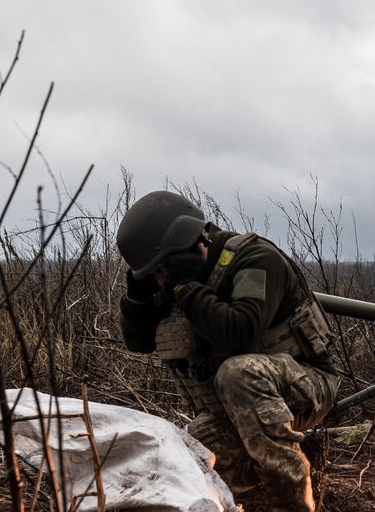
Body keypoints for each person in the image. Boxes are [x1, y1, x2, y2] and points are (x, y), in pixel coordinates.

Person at [117, 190, 337, 512]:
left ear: (191, 247)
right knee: (186, 463)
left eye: (162, 270)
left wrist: (188, 289)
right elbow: (138, 342)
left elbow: (240, 334)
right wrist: (138, 298)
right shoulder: (176, 280)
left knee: (238, 372)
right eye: (155, 275)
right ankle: (284, 458)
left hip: (306, 385)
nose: (161, 281)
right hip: (236, 414)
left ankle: (293, 500)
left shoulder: (256, 260)